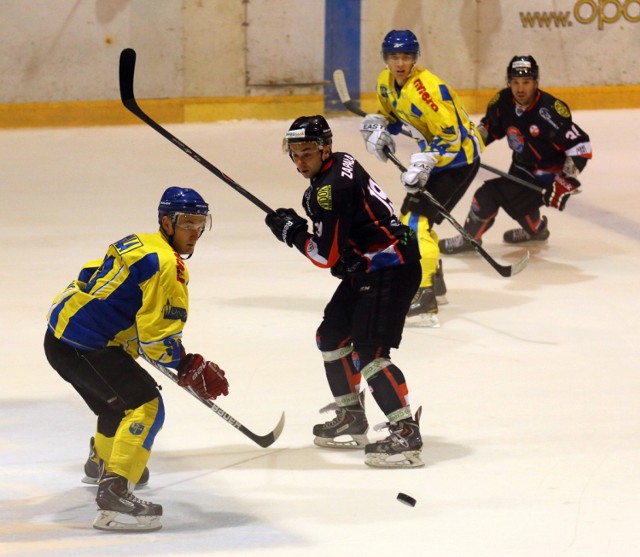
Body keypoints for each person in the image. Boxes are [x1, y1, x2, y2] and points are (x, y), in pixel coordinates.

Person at [44, 187, 230, 532]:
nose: (195, 232)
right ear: (166, 221)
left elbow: (89, 273)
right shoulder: (168, 267)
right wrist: (187, 364)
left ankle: (102, 461)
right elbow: (157, 337)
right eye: (187, 223)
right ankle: (114, 494)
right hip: (87, 346)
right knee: (146, 406)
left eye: (200, 223)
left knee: (114, 403)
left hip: (60, 338)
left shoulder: (138, 242)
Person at [265, 115, 424, 469]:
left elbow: (325, 255)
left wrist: (293, 233)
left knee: (370, 353)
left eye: (307, 153)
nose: (300, 161)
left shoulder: (329, 188)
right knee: (332, 336)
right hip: (370, 263)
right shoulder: (341, 162)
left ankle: (406, 433)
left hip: (390, 269)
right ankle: (352, 415)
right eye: (295, 154)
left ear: (325, 148)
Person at [360, 29, 485, 327]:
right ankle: (435, 280)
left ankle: (424, 292)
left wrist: (427, 159)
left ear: (415, 59)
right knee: (409, 218)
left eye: (406, 57)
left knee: (416, 221)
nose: (400, 63)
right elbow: (392, 116)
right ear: (385, 59)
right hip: (433, 160)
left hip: (458, 160)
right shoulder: (385, 83)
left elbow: (451, 137)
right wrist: (379, 128)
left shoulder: (428, 90)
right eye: (394, 57)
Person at [439, 55, 592, 253]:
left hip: (545, 175)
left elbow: (581, 144)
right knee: (518, 203)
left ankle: (470, 238)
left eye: (526, 82)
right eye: (515, 82)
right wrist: (467, 146)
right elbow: (490, 128)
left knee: (488, 195)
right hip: (520, 165)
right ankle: (536, 231)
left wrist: (566, 179)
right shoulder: (502, 102)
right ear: (508, 82)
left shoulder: (550, 111)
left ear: (536, 82)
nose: (520, 89)